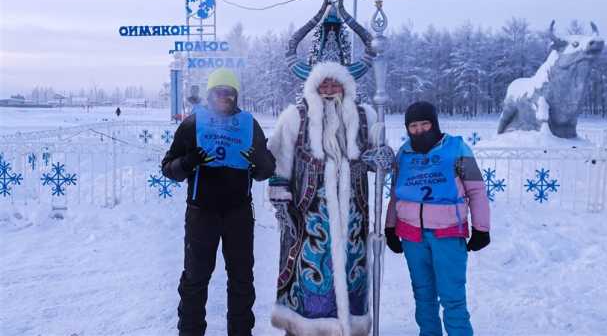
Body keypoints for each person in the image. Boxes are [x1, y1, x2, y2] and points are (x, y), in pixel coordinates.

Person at [267, 61, 393, 336]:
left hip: (354, 215)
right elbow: (280, 163)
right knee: (309, 274)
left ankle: (348, 328)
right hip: (308, 215)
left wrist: (382, 157)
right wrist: (282, 205)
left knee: (352, 273)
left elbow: (377, 157)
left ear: (346, 85)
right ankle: (303, 329)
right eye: (324, 83)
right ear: (313, 86)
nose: (329, 88)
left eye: (335, 83)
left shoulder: (366, 116)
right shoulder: (295, 118)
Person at [161, 68, 275, 336]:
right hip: (202, 214)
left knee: (242, 279)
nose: (224, 97)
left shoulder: (248, 124)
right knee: (195, 279)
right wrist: (189, 161)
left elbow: (267, 170)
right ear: (210, 94)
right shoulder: (193, 124)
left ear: (236, 96)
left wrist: (257, 161)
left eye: (229, 93)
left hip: (238, 214)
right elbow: (168, 168)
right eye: (219, 92)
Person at [385, 101, 491, 336]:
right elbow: (395, 193)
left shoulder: (457, 148)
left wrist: (481, 228)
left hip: (448, 233)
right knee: (423, 295)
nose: (420, 130)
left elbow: (476, 189)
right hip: (412, 235)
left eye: (425, 123)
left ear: (434, 123)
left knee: (452, 297)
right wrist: (390, 226)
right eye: (413, 126)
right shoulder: (404, 153)